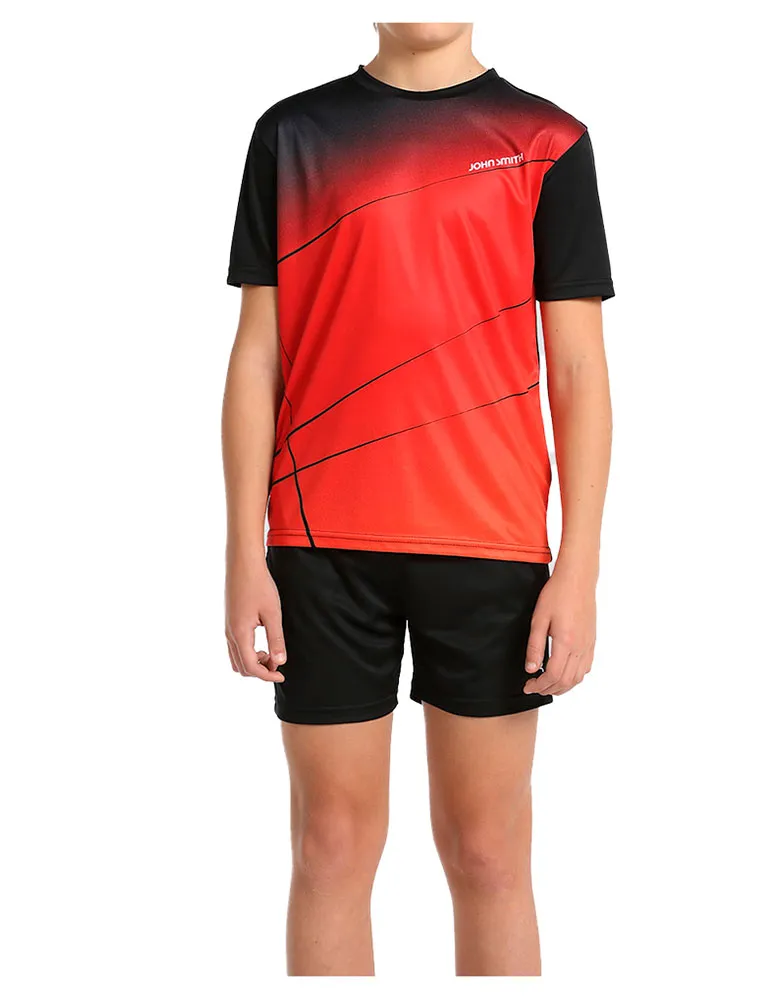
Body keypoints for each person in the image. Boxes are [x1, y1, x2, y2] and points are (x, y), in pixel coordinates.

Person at [222, 22, 614, 976]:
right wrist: (241, 553)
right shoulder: (292, 136)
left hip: (492, 547)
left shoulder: (549, 140)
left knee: (488, 855)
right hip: (320, 545)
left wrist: (580, 570)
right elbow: (257, 355)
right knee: (329, 848)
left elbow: (577, 368)